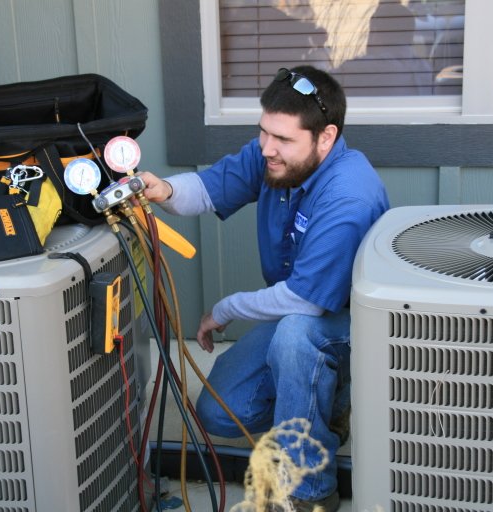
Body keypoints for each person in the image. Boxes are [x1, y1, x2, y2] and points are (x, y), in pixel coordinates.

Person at [140, 65, 389, 511]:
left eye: (283, 140)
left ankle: (307, 489)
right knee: (219, 411)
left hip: (352, 326)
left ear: (326, 138)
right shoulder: (275, 157)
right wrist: (162, 188)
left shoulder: (348, 194)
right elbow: (208, 188)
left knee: (295, 335)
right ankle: (322, 408)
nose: (266, 149)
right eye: (263, 132)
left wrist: (225, 308)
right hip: (301, 310)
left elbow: (304, 302)